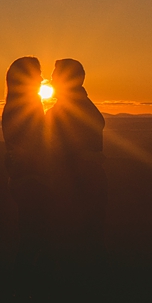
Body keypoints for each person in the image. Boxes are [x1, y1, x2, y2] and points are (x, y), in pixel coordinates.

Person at [45, 58, 107, 258]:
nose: (51, 79)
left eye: (55, 75)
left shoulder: (72, 109)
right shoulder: (81, 106)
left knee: (74, 248)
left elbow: (64, 151)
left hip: (74, 188)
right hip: (81, 185)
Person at [2, 57, 48, 267]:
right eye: (37, 74)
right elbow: (32, 144)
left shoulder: (17, 104)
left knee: (32, 235)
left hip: (25, 178)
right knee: (34, 236)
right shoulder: (23, 107)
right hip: (30, 179)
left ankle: (25, 287)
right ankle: (25, 288)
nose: (41, 78)